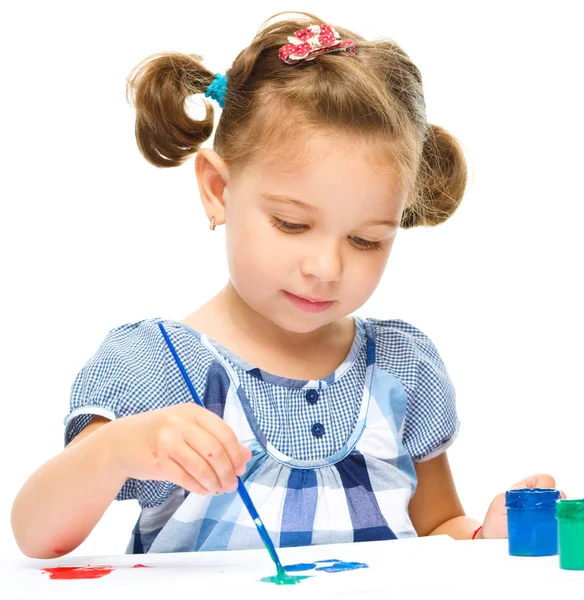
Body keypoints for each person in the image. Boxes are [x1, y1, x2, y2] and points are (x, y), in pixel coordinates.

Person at [11, 11, 560, 559]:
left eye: (366, 240)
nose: (326, 267)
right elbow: (35, 535)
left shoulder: (401, 366)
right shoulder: (153, 366)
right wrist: (112, 452)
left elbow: (438, 525)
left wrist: (485, 538)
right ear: (218, 190)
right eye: (292, 225)